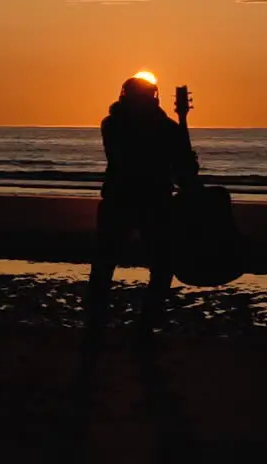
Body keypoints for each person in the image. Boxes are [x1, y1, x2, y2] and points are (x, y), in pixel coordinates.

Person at [83, 73, 199, 348]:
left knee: (110, 262)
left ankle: (105, 324)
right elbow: (184, 167)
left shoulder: (113, 123)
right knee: (154, 264)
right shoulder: (150, 126)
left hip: (122, 198)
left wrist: (180, 122)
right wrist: (180, 121)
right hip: (146, 200)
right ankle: (137, 324)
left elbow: (183, 166)